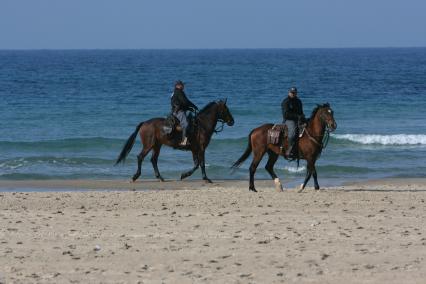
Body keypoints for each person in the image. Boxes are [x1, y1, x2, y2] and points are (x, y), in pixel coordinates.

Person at [171, 80, 198, 146]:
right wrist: (193, 106)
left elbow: (182, 102)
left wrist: (189, 108)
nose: (183, 86)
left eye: (183, 85)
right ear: (178, 86)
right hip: (179, 111)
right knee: (185, 124)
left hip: (177, 110)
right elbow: (185, 101)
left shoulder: (175, 92)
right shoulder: (179, 92)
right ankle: (183, 142)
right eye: (182, 85)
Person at [281, 87, 305, 158]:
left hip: (299, 119)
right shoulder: (286, 101)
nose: (293, 94)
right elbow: (286, 114)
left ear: (296, 93)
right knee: (292, 133)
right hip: (289, 120)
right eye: (292, 92)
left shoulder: (299, 101)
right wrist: (298, 116)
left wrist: (303, 118)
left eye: (294, 93)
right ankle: (290, 150)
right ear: (289, 93)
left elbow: (301, 112)